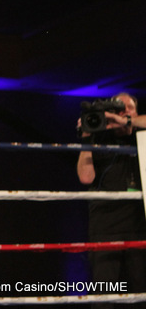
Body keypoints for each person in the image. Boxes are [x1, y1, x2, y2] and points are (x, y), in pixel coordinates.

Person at [76, 93, 146, 309]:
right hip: (105, 226)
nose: (124, 112)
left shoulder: (142, 136)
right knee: (104, 295)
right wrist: (87, 137)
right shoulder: (101, 140)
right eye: (119, 109)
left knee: (141, 292)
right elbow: (85, 177)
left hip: (139, 225)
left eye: (129, 108)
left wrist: (125, 121)